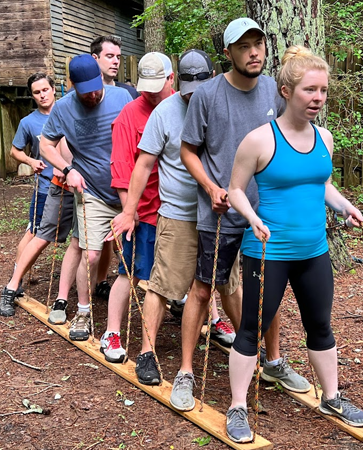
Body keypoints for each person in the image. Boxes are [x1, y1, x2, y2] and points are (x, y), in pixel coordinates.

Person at [170, 18, 310, 412]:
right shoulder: (207, 95)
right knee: (202, 289)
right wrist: (213, 188)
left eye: (258, 44)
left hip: (266, 217)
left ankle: (274, 362)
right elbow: (188, 151)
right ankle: (185, 372)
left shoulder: (274, 91)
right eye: (244, 46)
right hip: (220, 215)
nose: (254, 52)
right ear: (228, 52)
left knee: (269, 293)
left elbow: (290, 141)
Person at [226, 45, 363, 443]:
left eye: (323, 91)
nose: (318, 98)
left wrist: (346, 206)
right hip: (267, 253)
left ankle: (332, 397)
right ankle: (237, 406)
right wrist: (252, 219)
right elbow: (235, 190)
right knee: (251, 329)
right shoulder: (259, 140)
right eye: (310, 90)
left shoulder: (326, 138)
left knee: (320, 326)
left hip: (313, 253)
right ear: (287, 91)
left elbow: (321, 184)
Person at [107, 49, 236, 382]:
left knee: (228, 284)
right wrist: (129, 211)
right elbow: (143, 165)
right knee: (162, 285)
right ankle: (147, 352)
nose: (193, 97)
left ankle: (250, 345)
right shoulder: (164, 112)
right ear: (177, 82)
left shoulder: (226, 105)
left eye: (199, 89)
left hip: (221, 214)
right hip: (178, 215)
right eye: (187, 89)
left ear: (212, 80)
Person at [40, 54, 132, 341]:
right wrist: (68, 169)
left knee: (129, 257)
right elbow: (45, 144)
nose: (92, 95)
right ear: (73, 86)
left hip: (128, 192)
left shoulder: (122, 98)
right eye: (85, 91)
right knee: (90, 255)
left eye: (95, 88)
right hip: (92, 191)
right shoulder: (64, 108)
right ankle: (82, 311)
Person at [100, 52, 175, 363]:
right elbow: (121, 170)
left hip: (179, 210)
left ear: (172, 79)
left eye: (158, 85)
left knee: (196, 272)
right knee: (129, 271)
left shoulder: (185, 107)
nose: (152, 92)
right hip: (142, 211)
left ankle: (212, 319)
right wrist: (127, 212)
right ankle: (111, 332)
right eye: (147, 86)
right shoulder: (130, 115)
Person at [0, 73, 57, 316]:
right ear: (32, 96)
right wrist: (31, 161)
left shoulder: (68, 112)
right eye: (37, 92)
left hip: (75, 187)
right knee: (34, 232)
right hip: (45, 186)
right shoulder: (28, 122)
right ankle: (15, 281)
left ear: (54, 89)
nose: (43, 95)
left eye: (46, 89)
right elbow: (14, 151)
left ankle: (99, 283)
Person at [91, 35, 139, 99]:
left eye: (118, 57)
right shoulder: (82, 95)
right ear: (95, 58)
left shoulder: (130, 93)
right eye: (110, 56)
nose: (116, 61)